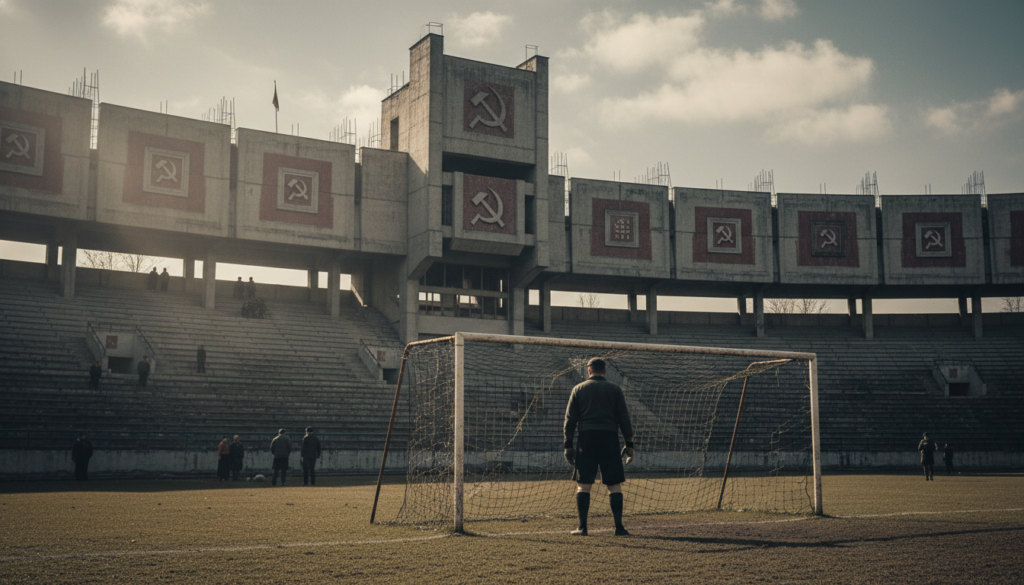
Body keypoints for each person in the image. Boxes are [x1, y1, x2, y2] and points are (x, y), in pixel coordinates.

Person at [563, 357, 635, 536]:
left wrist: (568, 445)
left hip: (586, 439)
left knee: (583, 485)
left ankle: (582, 528)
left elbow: (570, 420)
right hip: (609, 438)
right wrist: (629, 443)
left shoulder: (578, 389)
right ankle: (619, 528)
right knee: (614, 485)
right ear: (604, 371)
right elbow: (624, 418)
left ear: (589, 371)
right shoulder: (615, 389)